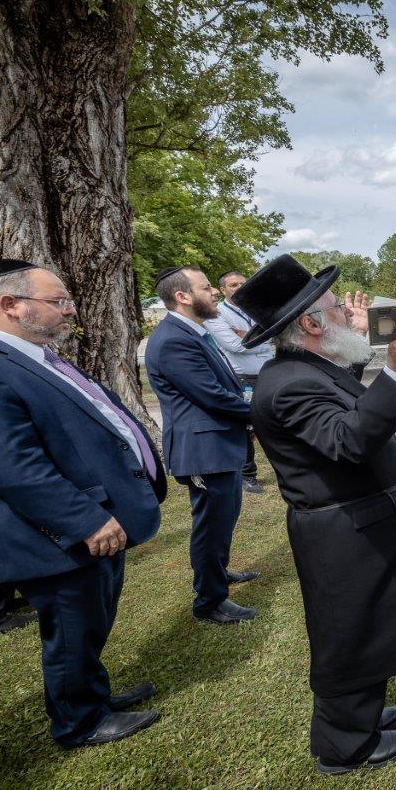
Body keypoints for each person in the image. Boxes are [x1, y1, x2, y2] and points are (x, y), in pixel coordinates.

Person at [231, 255, 396, 775]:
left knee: (373, 624)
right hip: (343, 533)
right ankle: (344, 746)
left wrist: (363, 347)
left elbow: (340, 392)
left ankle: (360, 715)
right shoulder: (289, 385)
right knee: (350, 634)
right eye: (337, 308)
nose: (347, 311)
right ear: (311, 324)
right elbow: (348, 439)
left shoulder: (303, 368)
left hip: (360, 523)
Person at [0, 259, 165, 747]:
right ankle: (79, 721)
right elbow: (13, 466)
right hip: (58, 535)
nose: (70, 310)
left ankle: (92, 694)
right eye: (58, 301)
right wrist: (85, 520)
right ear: (10, 304)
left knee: (90, 620)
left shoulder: (30, 354)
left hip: (96, 517)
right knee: (70, 627)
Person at [145, 266, 258, 625]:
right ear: (182, 296)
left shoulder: (192, 331)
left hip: (218, 444)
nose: (215, 293)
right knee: (211, 525)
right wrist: (262, 413)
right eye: (206, 287)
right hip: (203, 451)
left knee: (223, 520)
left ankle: (217, 573)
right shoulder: (173, 340)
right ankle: (210, 601)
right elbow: (212, 396)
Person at [205, 270, 275, 495]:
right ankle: (248, 476)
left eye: (242, 284)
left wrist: (251, 337)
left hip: (269, 371)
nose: (239, 288)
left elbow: (276, 334)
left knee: (276, 421)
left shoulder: (255, 308)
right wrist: (267, 339)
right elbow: (235, 346)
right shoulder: (216, 315)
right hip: (243, 377)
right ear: (223, 289)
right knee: (247, 426)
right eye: (233, 285)